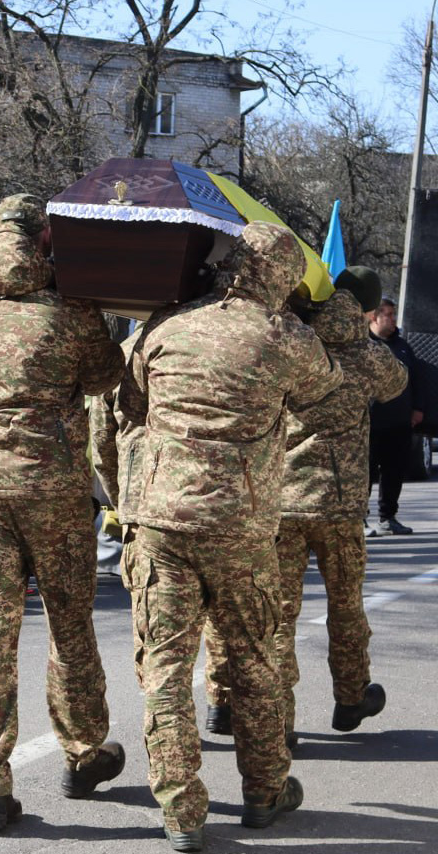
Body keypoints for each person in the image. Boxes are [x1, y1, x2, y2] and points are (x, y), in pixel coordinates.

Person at [118, 221, 343, 851]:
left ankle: (181, 810)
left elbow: (130, 406)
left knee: (164, 665)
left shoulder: (165, 325)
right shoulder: (284, 337)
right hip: (240, 528)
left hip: (162, 521)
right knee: (252, 658)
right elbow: (326, 394)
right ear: (280, 277)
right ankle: (265, 789)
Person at [0, 193, 127, 834]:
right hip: (54, 491)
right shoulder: (71, 309)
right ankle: (83, 753)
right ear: (45, 239)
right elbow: (106, 380)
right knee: (70, 625)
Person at [203, 288, 406, 743]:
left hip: (284, 499)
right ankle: (351, 697)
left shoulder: (292, 343)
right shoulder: (366, 354)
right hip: (340, 503)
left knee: (278, 615)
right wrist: (361, 343)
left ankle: (280, 720)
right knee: (346, 605)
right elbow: (397, 385)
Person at [367, 295, 426, 536]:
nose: (393, 320)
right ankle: (360, 518)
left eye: (394, 314)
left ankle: (388, 517)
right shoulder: (361, 345)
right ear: (374, 316)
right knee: (365, 473)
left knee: (393, 472)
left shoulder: (403, 346)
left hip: (399, 423)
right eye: (388, 315)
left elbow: (417, 380)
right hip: (368, 424)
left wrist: (418, 408)